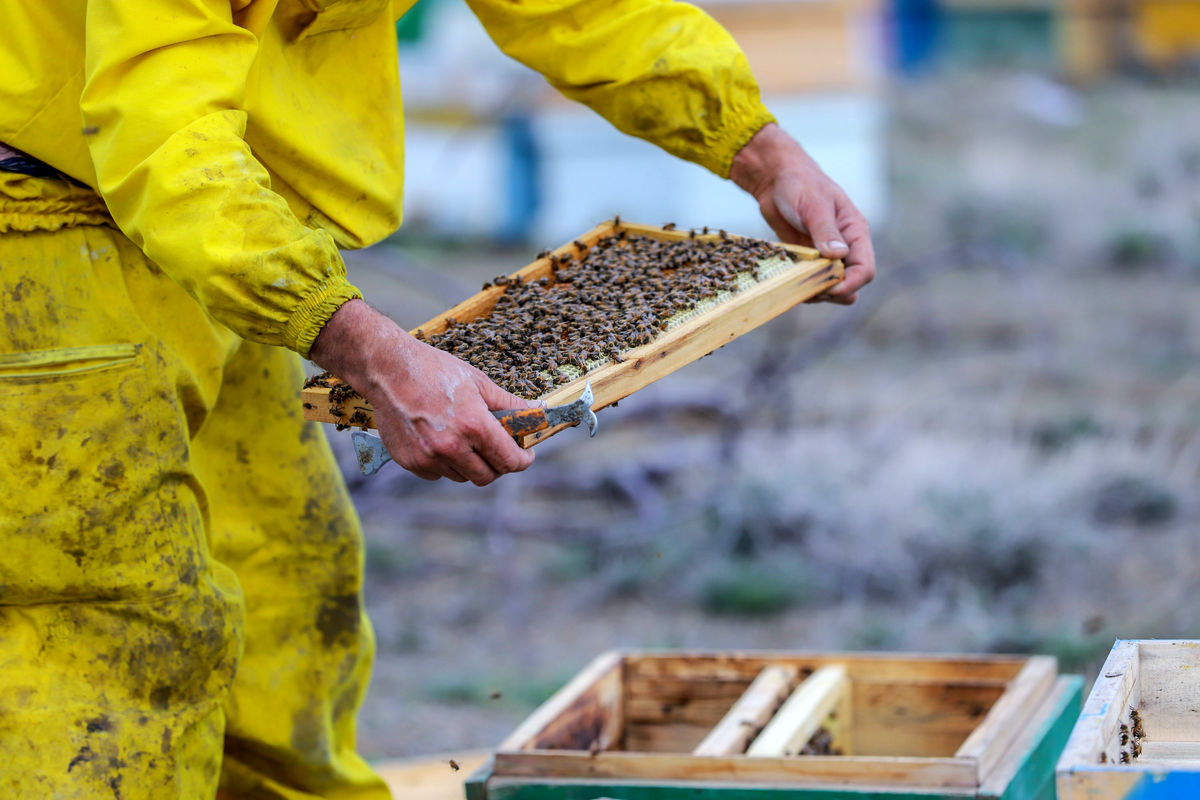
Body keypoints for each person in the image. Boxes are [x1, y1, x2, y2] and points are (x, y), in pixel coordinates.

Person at [0, 1, 874, 797]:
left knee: (289, 599)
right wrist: (370, 354)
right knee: (110, 635)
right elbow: (159, 136)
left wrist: (762, 152)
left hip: (222, 226)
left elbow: (582, 9)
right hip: (42, 223)